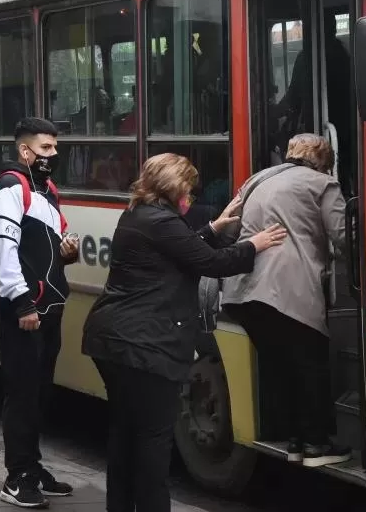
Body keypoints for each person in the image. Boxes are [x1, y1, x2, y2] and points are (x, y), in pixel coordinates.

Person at [81, 153, 287, 512]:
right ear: (174, 189)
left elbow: (180, 248)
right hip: (145, 346)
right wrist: (255, 244)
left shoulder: (138, 216)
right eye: (188, 189)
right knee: (152, 444)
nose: (190, 196)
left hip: (113, 338)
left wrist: (215, 227)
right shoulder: (161, 222)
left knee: (125, 435)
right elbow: (211, 262)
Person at [222, 133, 349, 468]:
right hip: (288, 289)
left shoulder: (257, 179)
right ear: (325, 159)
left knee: (282, 368)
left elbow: (231, 230)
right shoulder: (323, 184)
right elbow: (343, 236)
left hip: (241, 290)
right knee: (311, 366)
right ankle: (316, 445)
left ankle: (294, 440)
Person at [0, 117, 78, 508]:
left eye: (55, 148)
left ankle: (33, 467)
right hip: (24, 311)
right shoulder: (10, 189)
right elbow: (4, 251)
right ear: (25, 151)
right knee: (22, 394)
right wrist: (22, 303)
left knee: (40, 392)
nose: (53, 155)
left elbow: (41, 247)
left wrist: (66, 254)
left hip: (49, 308)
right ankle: (16, 477)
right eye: (45, 149)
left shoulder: (45, 190)